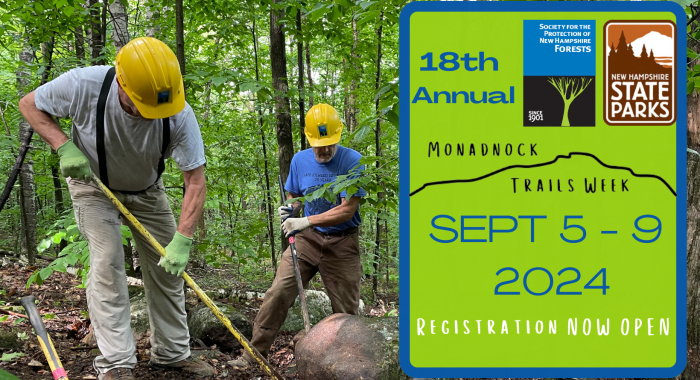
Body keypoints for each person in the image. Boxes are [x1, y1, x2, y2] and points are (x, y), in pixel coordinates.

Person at [18, 37, 213, 380]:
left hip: (148, 191)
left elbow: (195, 181)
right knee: (108, 262)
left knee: (167, 270)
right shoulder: (85, 85)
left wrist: (182, 239)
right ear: (121, 82)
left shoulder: (178, 112)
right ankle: (117, 362)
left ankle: (171, 353)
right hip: (92, 184)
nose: (147, 115)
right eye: (140, 105)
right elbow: (29, 104)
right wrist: (63, 145)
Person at [228, 103, 366, 368]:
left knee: (347, 313)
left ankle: (348, 367)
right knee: (278, 292)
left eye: (329, 143)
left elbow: (347, 210)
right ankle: (253, 356)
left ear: (339, 135)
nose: (324, 150)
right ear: (307, 136)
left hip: (342, 243)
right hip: (307, 239)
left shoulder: (352, 161)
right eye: (318, 144)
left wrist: (303, 220)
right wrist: (290, 209)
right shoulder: (299, 160)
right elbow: (296, 197)